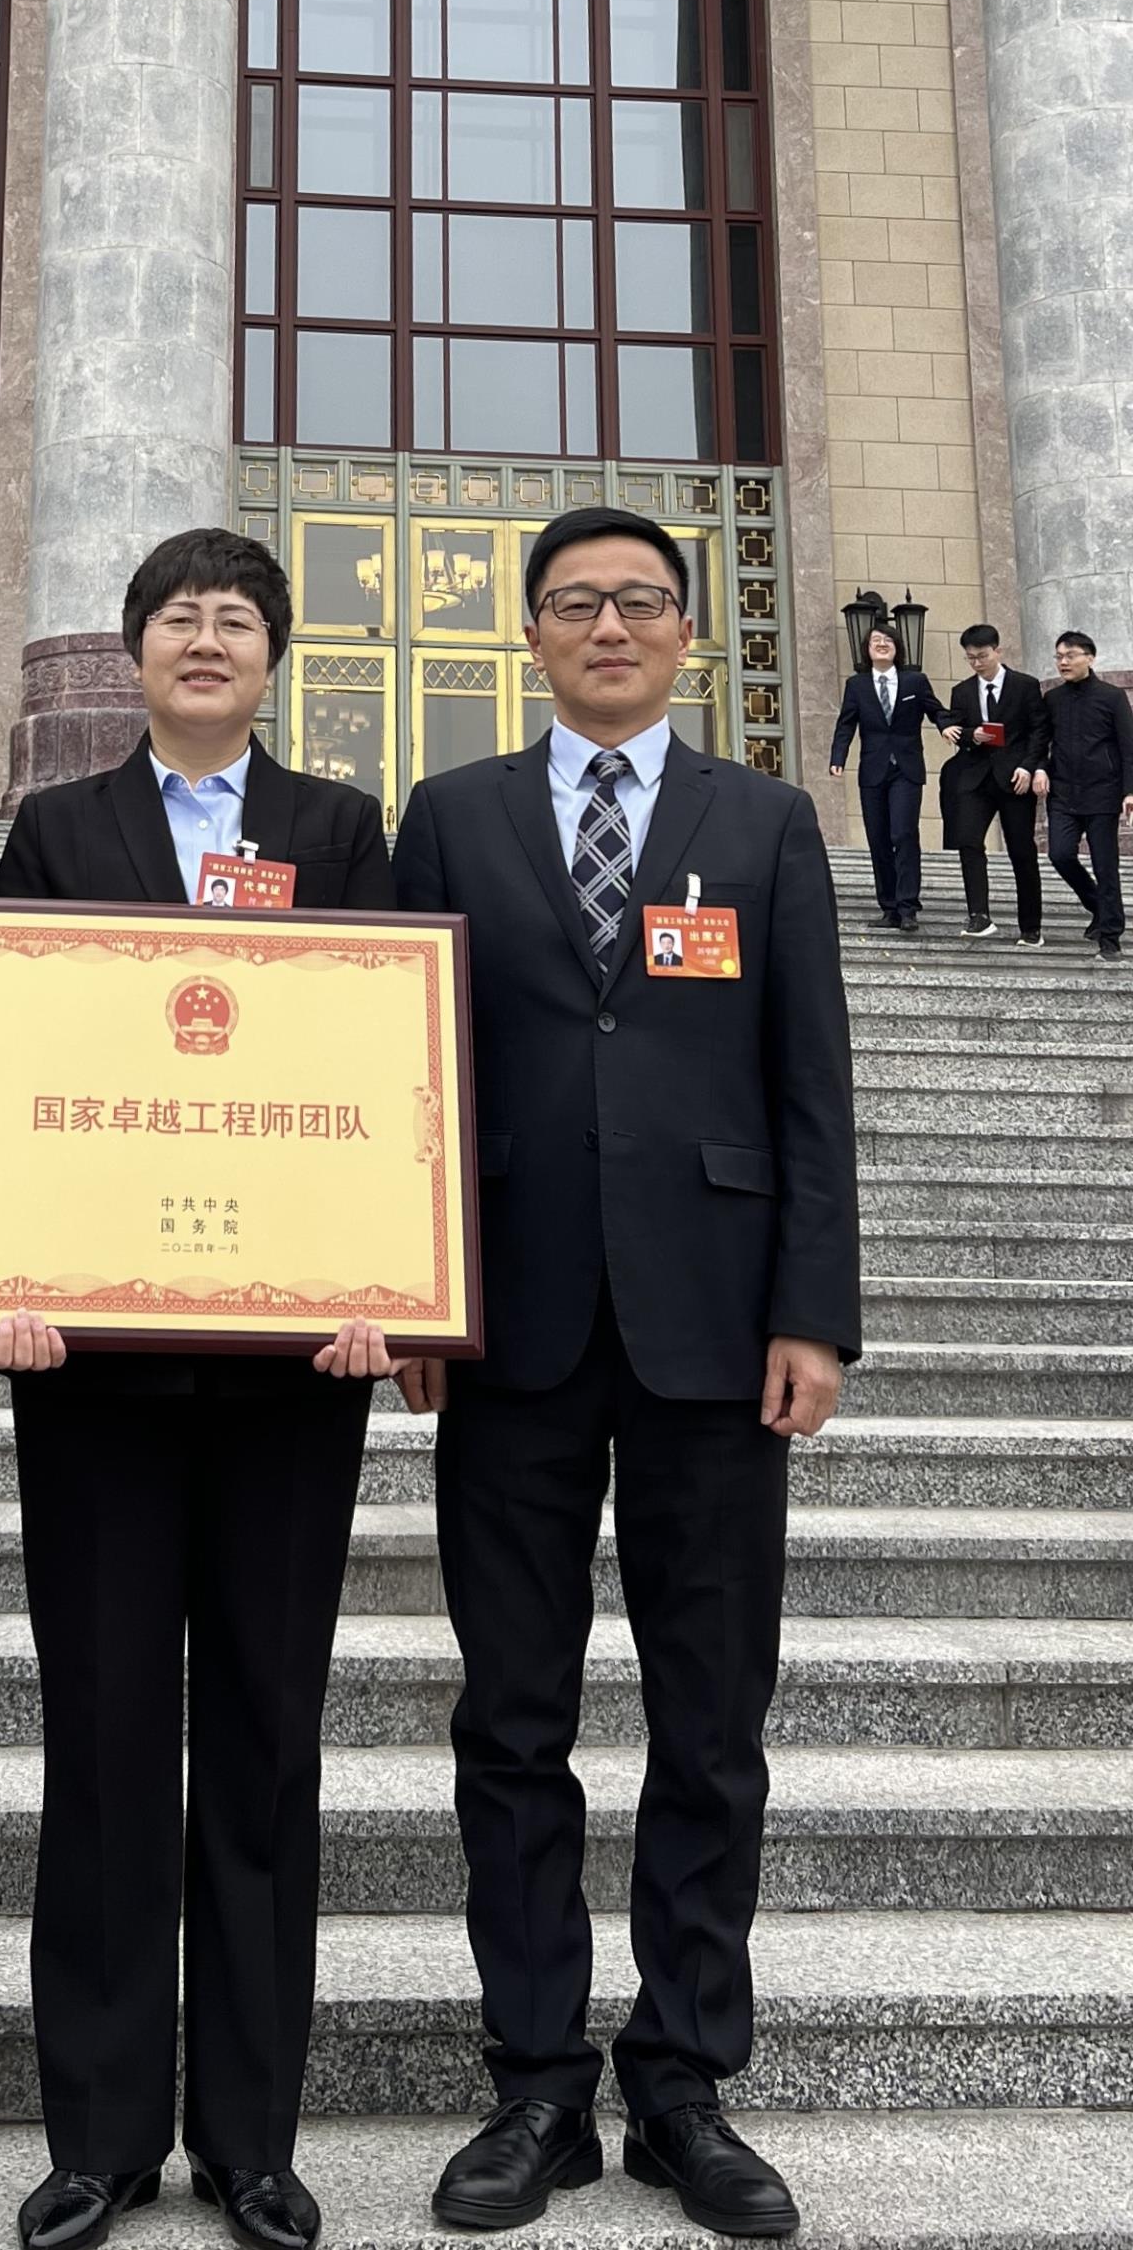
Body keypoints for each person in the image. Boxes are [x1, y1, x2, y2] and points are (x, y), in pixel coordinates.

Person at [394, 505, 860, 2242]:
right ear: (529, 634)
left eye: (640, 603)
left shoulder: (764, 823)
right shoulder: (452, 816)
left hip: (715, 1334)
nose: (609, 627)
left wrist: (812, 1313)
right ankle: (533, 2085)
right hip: (507, 1330)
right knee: (512, 1721)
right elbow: (402, 1075)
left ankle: (681, 2083)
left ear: (686, 633)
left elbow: (811, 1084)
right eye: (577, 604)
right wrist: (413, 1294)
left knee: (709, 1721)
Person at [0, 526, 395, 2250]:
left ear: (273, 654)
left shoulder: (338, 830)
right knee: (99, 1747)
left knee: (261, 1747)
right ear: (135, 650)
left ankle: (250, 2136)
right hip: (90, 1375)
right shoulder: (57, 832)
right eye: (178, 618)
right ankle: (98, 2135)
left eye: (236, 619)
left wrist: (391, 1278)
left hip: (298, 1379)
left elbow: (386, 1068)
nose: (206, 641)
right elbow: (5, 1069)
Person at [827, 620, 952, 930]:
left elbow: (935, 709)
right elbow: (846, 724)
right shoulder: (856, 685)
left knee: (903, 833)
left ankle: (908, 907)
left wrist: (944, 725)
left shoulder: (915, 681)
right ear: (867, 650)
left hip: (906, 769)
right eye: (875, 641)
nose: (881, 644)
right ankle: (889, 907)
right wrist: (837, 757)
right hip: (873, 770)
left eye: (887, 640)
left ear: (897, 648)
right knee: (879, 838)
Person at [940, 623, 1049, 945]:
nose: (977, 663)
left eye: (982, 656)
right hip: (975, 777)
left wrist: (1030, 767)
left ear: (997, 651)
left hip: (1015, 778)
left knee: (1021, 850)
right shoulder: (961, 691)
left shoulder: (1025, 686)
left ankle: (1031, 926)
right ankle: (979, 915)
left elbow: (1039, 732)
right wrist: (970, 736)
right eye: (970, 658)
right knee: (969, 841)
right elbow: (959, 730)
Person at [1035, 629, 1133, 962]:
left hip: (1102, 793)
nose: (1063, 661)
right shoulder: (1053, 699)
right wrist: (1040, 768)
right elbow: (1042, 742)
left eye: (1070, 655)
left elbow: (1127, 747)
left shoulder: (1112, 697)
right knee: (1060, 854)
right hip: (1063, 793)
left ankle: (1110, 938)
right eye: (1059, 656)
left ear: (1089, 658)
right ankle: (1098, 906)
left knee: (1106, 865)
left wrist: (1129, 790)